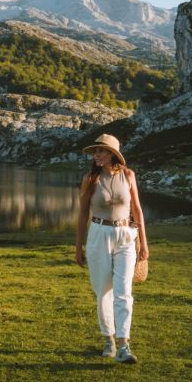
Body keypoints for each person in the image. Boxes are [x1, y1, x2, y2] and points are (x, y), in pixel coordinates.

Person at [75, 133, 149, 364]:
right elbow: (82, 214)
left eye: (101, 151)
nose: (96, 155)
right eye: (95, 152)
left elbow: (137, 209)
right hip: (99, 234)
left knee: (123, 290)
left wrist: (144, 243)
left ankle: (124, 344)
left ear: (113, 154)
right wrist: (78, 247)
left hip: (126, 234)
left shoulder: (128, 175)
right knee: (103, 291)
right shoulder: (90, 179)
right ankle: (108, 338)